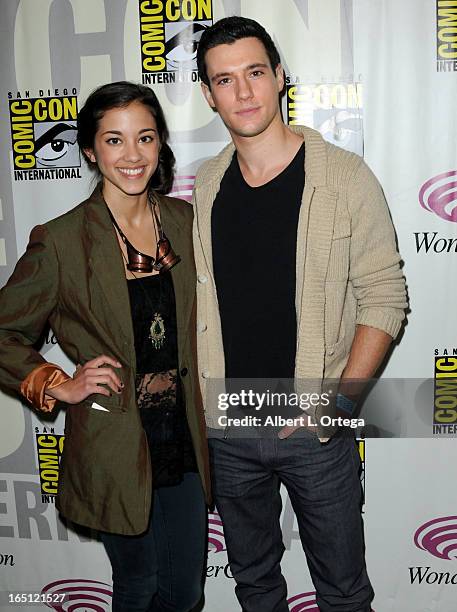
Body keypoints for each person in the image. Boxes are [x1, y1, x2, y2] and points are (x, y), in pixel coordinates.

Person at [192, 16, 408, 612]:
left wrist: (339, 405)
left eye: (256, 72)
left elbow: (385, 297)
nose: (243, 92)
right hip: (228, 429)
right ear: (208, 96)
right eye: (225, 80)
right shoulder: (206, 186)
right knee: (254, 584)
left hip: (316, 430)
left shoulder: (344, 176)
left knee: (343, 591)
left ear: (280, 77)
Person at [0, 81, 210, 612]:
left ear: (160, 143)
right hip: (115, 441)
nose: (133, 155)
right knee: (139, 588)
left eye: (145, 137)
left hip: (184, 439)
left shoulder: (186, 223)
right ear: (91, 151)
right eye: (114, 141)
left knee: (185, 593)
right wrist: (58, 383)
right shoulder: (63, 239)